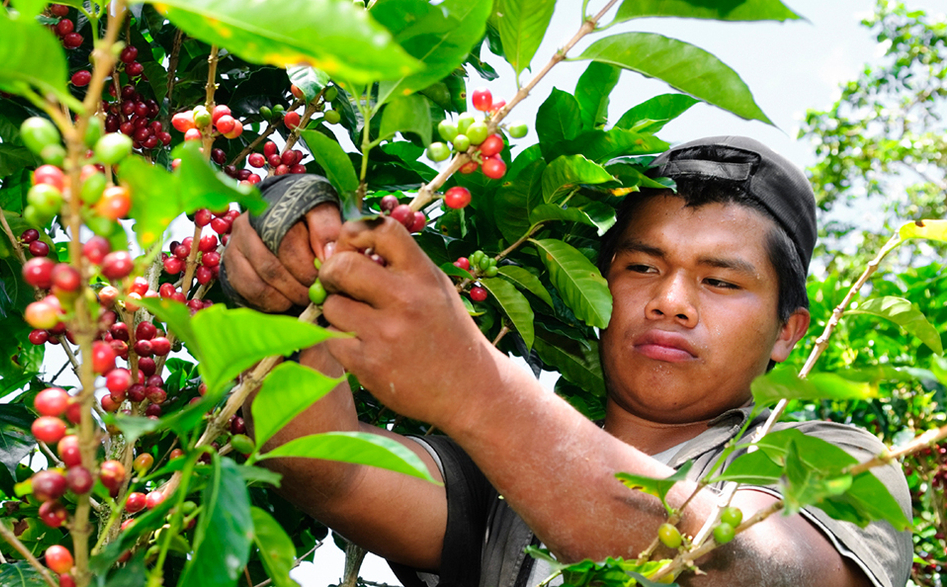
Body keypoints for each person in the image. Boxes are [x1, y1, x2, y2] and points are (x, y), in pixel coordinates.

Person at [220, 136, 913, 587]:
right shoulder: (498, 477)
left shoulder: (830, 462)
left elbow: (759, 574)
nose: (671, 302)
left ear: (786, 333)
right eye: (642, 266)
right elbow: (323, 468)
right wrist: (285, 288)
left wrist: (474, 389)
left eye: (720, 281)